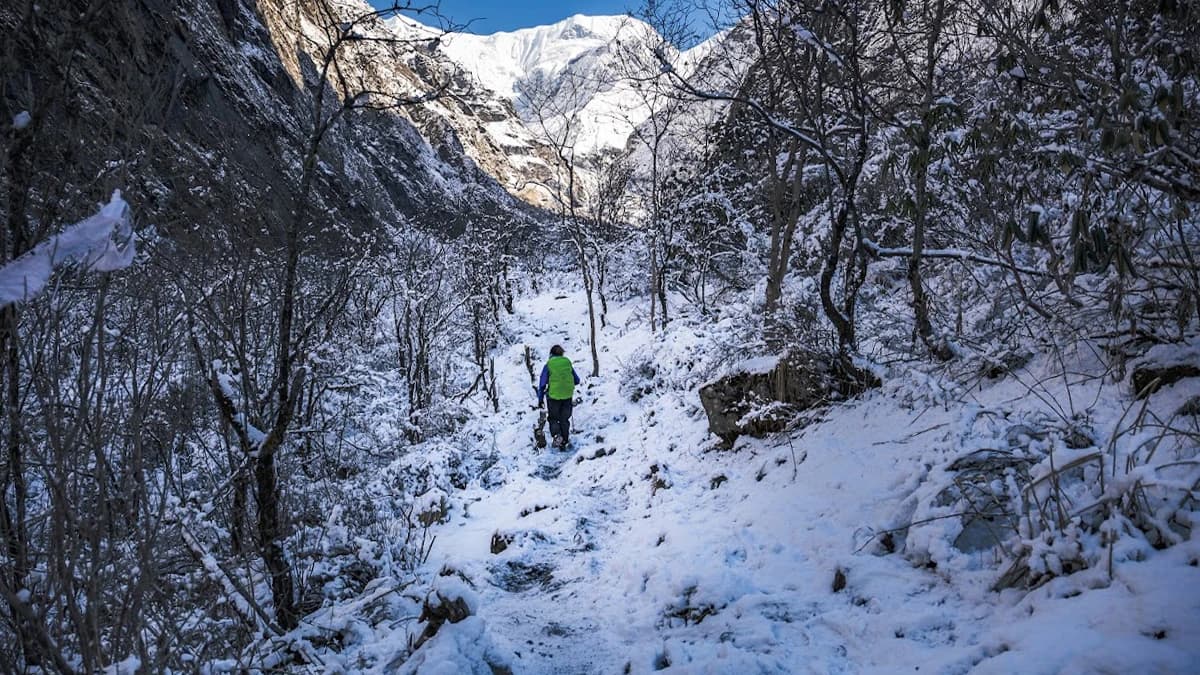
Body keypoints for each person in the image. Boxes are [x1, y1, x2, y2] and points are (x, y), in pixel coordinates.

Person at [538, 344, 580, 450]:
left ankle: (557, 436)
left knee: (553, 418)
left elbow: (542, 383)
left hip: (553, 396)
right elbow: (577, 380)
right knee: (564, 419)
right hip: (567, 395)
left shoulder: (549, 364)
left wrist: (540, 399)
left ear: (551, 354)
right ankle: (564, 441)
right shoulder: (567, 362)